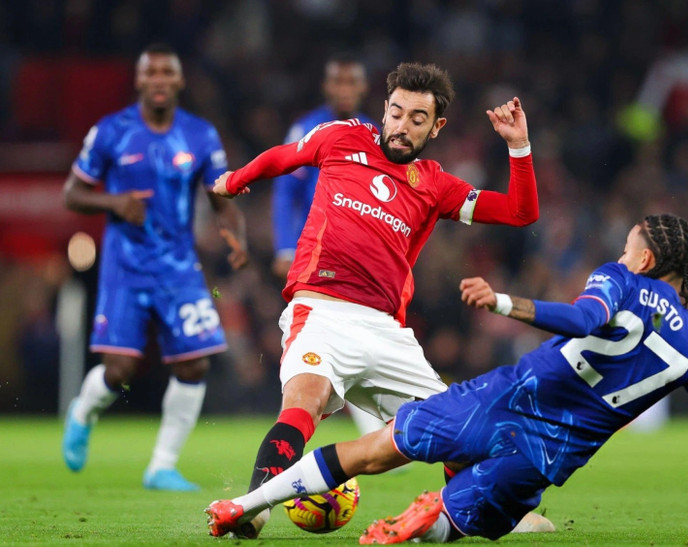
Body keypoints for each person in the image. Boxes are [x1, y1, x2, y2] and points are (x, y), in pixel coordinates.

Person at [205, 213, 688, 545]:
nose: (622, 251)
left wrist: (504, 302)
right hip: (550, 451)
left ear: (644, 260)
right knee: (465, 520)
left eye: (629, 246)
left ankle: (247, 503)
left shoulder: (620, 277)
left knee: (374, 449)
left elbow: (584, 319)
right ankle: (431, 515)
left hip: (505, 395)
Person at [211, 62, 544, 536]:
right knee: (306, 398)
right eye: (396, 112)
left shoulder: (435, 183)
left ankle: (492, 514)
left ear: (437, 126)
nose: (402, 127)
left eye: (416, 119)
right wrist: (236, 179)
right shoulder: (343, 138)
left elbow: (520, 211)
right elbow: (283, 158)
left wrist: (518, 145)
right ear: (383, 109)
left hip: (387, 330)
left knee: (463, 435)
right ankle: (253, 508)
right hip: (321, 308)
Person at [61, 43, 248, 492]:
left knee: (195, 366)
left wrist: (233, 232)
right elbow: (72, 193)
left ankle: (161, 465)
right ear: (140, 80)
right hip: (124, 267)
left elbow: (220, 196)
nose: (160, 79)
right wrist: (113, 201)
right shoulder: (111, 131)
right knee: (119, 370)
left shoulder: (200, 135)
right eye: (152, 72)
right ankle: (83, 411)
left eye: (168, 71)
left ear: (180, 81)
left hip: (179, 268)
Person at [269, 53, 384, 438]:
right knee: (331, 335)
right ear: (327, 86)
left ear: (364, 87)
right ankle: (301, 411)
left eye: (352, 82)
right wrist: (284, 247)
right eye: (339, 82)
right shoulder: (306, 127)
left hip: (359, 253)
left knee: (357, 335)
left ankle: (374, 429)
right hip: (315, 253)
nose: (345, 89)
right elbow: (285, 191)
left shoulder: (376, 131)